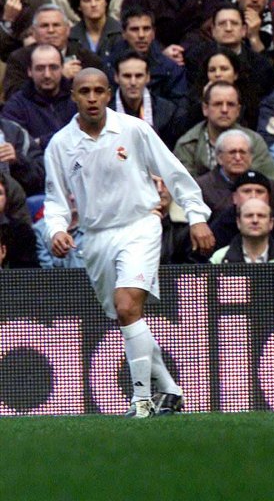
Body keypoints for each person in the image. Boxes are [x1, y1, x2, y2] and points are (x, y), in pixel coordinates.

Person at [44, 67, 216, 418]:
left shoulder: (135, 130)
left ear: (110, 94)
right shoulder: (60, 145)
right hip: (95, 238)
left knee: (126, 306)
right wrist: (56, 230)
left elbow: (174, 172)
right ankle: (170, 388)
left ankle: (141, 400)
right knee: (127, 316)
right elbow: (55, 201)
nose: (92, 98)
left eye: (98, 91)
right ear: (73, 96)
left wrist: (196, 216)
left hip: (140, 226)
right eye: (84, 92)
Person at [209, 197, 274, 263]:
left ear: (271, 223)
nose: (255, 220)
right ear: (239, 222)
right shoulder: (219, 259)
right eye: (249, 216)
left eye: (261, 216)